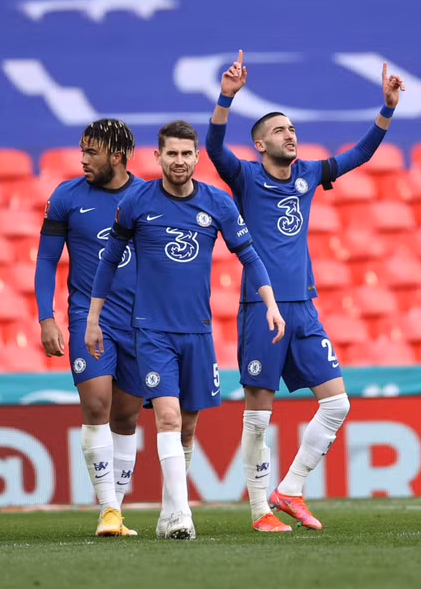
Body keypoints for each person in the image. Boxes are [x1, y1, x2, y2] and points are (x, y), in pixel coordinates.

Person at [205, 50, 405, 531]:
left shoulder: (309, 174)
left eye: (292, 128)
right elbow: (213, 150)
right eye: (279, 130)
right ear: (258, 145)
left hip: (304, 307)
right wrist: (225, 98)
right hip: (261, 308)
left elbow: (358, 156)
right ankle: (258, 512)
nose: (289, 134)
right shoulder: (246, 177)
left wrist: (387, 109)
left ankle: (290, 489)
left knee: (338, 403)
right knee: (259, 414)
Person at [86, 120, 285, 540]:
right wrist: (93, 318)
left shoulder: (218, 203)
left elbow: (249, 255)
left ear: (197, 157)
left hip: (197, 331)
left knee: (188, 426)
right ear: (157, 157)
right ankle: (180, 516)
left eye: (186, 153)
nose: (179, 161)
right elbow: (108, 262)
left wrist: (270, 302)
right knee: (168, 416)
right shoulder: (137, 202)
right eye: (171, 153)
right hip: (151, 331)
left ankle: (166, 513)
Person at [35, 119, 145, 536]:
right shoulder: (65, 196)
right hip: (89, 317)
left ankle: (116, 507)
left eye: (91, 152)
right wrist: (47, 318)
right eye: (82, 150)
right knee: (97, 404)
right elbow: (46, 260)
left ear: (116, 156)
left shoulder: (147, 196)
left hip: (140, 319)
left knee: (127, 414)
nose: (82, 159)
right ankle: (109, 510)